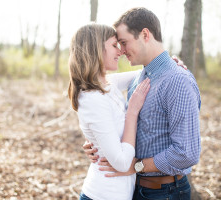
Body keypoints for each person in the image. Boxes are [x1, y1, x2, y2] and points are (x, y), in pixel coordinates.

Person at [83, 7, 201, 200]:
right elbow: (98, 93)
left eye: (123, 42)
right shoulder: (139, 78)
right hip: (135, 188)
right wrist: (96, 141)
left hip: (165, 192)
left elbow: (186, 153)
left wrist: (137, 165)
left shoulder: (178, 81)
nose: (121, 51)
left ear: (145, 34)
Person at [68, 23, 151, 200]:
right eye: (114, 45)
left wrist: (170, 63)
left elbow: (143, 73)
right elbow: (121, 163)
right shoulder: (92, 98)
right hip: (103, 194)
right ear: (96, 50)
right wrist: (132, 112)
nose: (120, 51)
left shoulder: (106, 84)